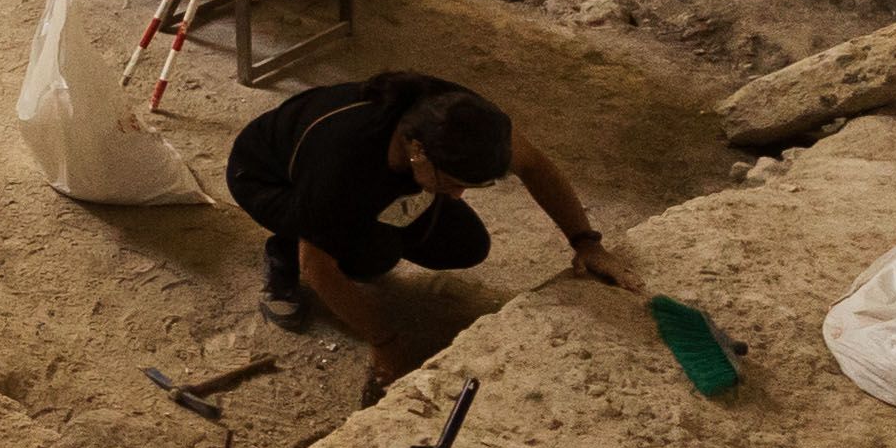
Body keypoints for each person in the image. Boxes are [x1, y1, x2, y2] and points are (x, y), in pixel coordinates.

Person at [227, 72, 639, 384]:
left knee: (466, 245)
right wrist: (385, 341)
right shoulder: (341, 165)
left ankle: (367, 231)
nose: (458, 195)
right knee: (374, 255)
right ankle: (282, 250)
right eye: (454, 181)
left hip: (378, 176)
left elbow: (533, 164)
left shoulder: (466, 119)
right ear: (417, 152)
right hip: (269, 177)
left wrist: (587, 243)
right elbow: (318, 268)